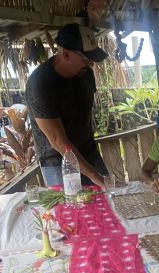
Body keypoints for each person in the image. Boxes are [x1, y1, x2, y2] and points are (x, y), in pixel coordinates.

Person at [26, 23, 108, 188]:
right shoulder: (40, 83)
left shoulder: (85, 74)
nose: (91, 64)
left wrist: (93, 169)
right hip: (57, 160)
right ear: (65, 54)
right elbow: (58, 141)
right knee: (71, 208)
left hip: (88, 151)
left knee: (108, 198)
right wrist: (93, 175)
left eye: (91, 59)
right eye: (86, 58)